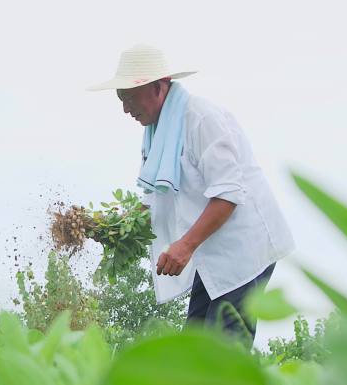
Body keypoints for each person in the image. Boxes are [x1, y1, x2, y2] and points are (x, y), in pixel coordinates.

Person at [87, 45, 295, 345]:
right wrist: (112, 227)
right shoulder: (158, 134)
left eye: (129, 97)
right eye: (120, 99)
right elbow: (158, 200)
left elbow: (228, 194)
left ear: (158, 87)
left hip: (244, 250)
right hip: (211, 253)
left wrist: (184, 246)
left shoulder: (202, 119)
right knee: (196, 346)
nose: (125, 108)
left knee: (225, 350)